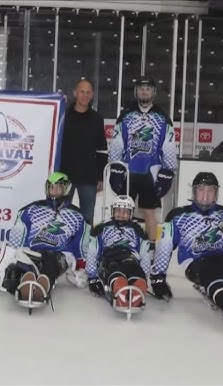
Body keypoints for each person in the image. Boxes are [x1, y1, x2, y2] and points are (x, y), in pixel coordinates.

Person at [151, 172, 223, 326]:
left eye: (210, 191)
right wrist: (158, 277)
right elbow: (164, 245)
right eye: (201, 190)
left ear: (216, 193)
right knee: (213, 273)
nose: (205, 196)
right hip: (196, 262)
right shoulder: (178, 215)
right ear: (194, 192)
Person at [0, 172, 89, 305]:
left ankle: (43, 286)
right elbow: (16, 241)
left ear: (66, 189)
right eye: (52, 187)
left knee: (50, 264)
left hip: (60, 254)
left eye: (59, 187)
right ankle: (26, 283)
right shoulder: (31, 209)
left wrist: (81, 267)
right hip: (33, 252)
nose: (55, 190)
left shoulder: (78, 215)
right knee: (18, 270)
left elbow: (81, 244)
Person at [108, 75, 177, 245]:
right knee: (123, 211)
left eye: (148, 89)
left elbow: (168, 147)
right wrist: (116, 169)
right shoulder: (125, 115)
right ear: (136, 92)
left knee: (149, 213)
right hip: (128, 172)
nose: (144, 92)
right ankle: (124, 243)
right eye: (141, 89)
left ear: (153, 92)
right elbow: (117, 143)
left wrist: (167, 172)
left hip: (151, 173)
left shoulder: (162, 117)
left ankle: (151, 248)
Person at [86, 195, 150, 309]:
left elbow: (145, 254)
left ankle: (138, 286)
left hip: (130, 256)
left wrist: (144, 275)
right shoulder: (102, 228)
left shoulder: (137, 229)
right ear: (112, 211)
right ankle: (119, 288)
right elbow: (92, 252)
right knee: (114, 268)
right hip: (109, 257)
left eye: (125, 211)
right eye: (118, 210)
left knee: (132, 267)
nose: (121, 214)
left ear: (131, 213)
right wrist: (92, 277)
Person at [60, 79, 107, 226]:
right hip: (65, 175)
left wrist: (100, 177)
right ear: (75, 93)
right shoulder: (63, 116)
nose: (84, 95)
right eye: (82, 92)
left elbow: (102, 150)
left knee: (87, 218)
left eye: (88, 92)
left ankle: (85, 247)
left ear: (92, 95)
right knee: (62, 214)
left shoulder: (97, 119)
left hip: (89, 177)